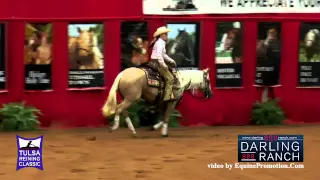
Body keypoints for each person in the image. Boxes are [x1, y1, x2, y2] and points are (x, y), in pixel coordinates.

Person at [150, 26, 177, 101]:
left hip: (154, 61)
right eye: (166, 34)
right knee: (171, 78)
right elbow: (159, 56)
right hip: (157, 63)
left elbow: (163, 54)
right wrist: (164, 65)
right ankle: (167, 98)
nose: (167, 36)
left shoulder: (160, 42)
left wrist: (171, 60)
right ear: (162, 35)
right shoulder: (160, 43)